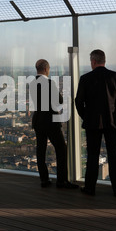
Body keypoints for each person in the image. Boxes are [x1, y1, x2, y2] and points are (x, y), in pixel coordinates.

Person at [75, 49, 116, 196]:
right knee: (114, 155)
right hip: (113, 123)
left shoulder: (85, 79)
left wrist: (86, 116)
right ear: (104, 60)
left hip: (92, 123)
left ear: (93, 61)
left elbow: (78, 102)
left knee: (92, 156)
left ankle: (90, 187)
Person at [30, 59, 78, 189]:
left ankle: (44, 180)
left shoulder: (32, 83)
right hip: (51, 122)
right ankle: (61, 181)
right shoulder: (49, 83)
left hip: (38, 121)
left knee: (41, 151)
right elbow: (59, 101)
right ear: (46, 69)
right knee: (61, 149)